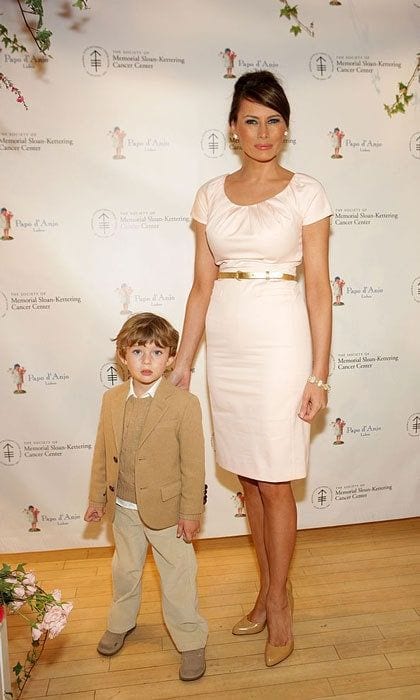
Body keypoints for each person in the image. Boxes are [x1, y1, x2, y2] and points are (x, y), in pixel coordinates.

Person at [171, 71, 332, 668]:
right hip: (230, 349)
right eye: (250, 120)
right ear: (233, 129)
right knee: (249, 480)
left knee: (276, 479)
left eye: (273, 120)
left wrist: (318, 374)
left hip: (281, 344)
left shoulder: (306, 192)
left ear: (285, 128)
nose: (262, 131)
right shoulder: (210, 194)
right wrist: (184, 362)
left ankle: (282, 607)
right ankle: (266, 593)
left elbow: (317, 288)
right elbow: (200, 287)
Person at [84, 312, 208, 681]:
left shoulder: (184, 405)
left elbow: (193, 465)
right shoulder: (111, 400)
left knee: (178, 578)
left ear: (171, 357)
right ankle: (121, 622)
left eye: (157, 352)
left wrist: (191, 512)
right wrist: (97, 499)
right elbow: (102, 453)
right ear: (123, 356)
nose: (147, 361)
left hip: (169, 512)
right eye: (138, 351)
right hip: (123, 509)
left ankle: (191, 641)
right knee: (125, 571)